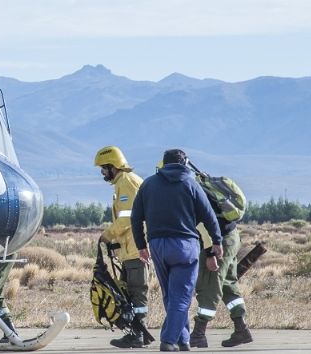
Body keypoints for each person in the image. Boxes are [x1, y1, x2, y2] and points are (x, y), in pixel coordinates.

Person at [131, 149, 222, 353]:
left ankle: (183, 340)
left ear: (163, 164)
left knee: (171, 296)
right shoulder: (191, 184)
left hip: (157, 246)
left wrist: (141, 246)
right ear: (185, 164)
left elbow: (136, 217)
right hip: (184, 246)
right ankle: (169, 340)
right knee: (181, 297)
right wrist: (217, 241)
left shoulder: (148, 184)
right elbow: (209, 215)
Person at [94, 146, 149, 348]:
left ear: (113, 166)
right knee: (130, 292)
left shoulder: (126, 182)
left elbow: (128, 217)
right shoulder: (123, 183)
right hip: (130, 248)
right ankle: (134, 332)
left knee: (136, 291)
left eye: (103, 168)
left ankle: (138, 335)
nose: (102, 172)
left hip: (136, 249)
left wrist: (107, 236)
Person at [190, 214, 253, 347]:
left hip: (217, 242)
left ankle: (198, 333)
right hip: (231, 236)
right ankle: (241, 328)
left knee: (209, 285)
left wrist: (210, 253)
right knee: (227, 284)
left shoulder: (197, 193)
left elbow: (203, 223)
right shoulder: (213, 193)